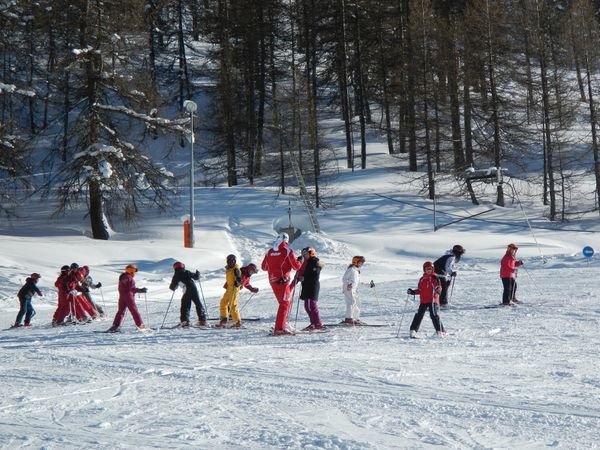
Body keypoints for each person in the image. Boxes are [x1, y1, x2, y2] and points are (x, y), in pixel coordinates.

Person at [261, 233, 302, 335]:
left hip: (272, 281)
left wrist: (274, 267)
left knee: (283, 304)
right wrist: (299, 262)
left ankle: (281, 324)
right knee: (285, 304)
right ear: (286, 241)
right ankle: (279, 328)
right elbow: (296, 267)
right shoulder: (287, 251)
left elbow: (264, 267)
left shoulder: (269, 251)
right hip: (283, 282)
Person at [407, 261, 445, 338]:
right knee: (419, 315)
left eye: (430, 269)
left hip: (432, 300)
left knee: (433, 315)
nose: (429, 270)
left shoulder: (435, 278)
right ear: (424, 270)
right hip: (423, 300)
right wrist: (413, 292)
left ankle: (440, 331)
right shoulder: (422, 279)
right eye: (427, 269)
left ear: (433, 269)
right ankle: (413, 330)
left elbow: (439, 287)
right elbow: (420, 290)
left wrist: (438, 290)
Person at [107, 264, 147, 332]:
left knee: (121, 311)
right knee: (134, 310)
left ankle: (115, 326)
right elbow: (131, 288)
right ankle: (140, 325)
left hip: (122, 296)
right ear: (131, 270)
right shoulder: (128, 277)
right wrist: (140, 290)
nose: (134, 272)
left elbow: (126, 287)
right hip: (128, 296)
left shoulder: (124, 276)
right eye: (134, 271)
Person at [169, 261, 207, 327]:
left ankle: (185, 321)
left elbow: (172, 287)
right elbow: (196, 277)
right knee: (198, 303)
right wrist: (197, 274)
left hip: (187, 289)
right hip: (194, 288)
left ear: (175, 268)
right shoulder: (187, 272)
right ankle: (203, 320)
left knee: (185, 305)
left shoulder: (176, 275)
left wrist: (175, 286)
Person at [299, 247, 325, 331]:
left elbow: (314, 276)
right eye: (303, 254)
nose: (304, 255)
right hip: (307, 286)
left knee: (311, 306)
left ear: (311, 253)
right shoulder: (308, 262)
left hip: (312, 286)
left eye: (306, 253)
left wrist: (304, 278)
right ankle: (313, 323)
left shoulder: (314, 262)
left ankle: (318, 323)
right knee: (307, 306)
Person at [216, 255, 243, 328]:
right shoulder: (229, 269)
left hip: (234, 288)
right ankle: (224, 320)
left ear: (235, 261)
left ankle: (237, 322)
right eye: (229, 261)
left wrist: (238, 282)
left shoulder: (235, 269)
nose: (230, 262)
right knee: (223, 302)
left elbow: (240, 279)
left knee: (233, 305)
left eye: (232, 261)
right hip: (229, 288)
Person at [341, 256, 369, 325]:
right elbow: (344, 279)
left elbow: (358, 282)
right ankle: (348, 319)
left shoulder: (356, 271)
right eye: (361, 263)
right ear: (356, 262)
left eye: (362, 263)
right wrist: (348, 284)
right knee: (351, 302)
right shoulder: (351, 269)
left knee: (357, 303)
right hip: (348, 289)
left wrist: (369, 285)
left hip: (354, 290)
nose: (361, 264)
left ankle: (355, 318)